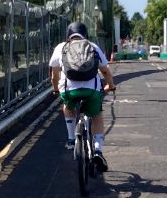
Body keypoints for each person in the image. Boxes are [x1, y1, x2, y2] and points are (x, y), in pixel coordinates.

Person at [49, 21, 116, 170]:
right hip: (91, 91)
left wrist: (55, 89)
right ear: (85, 34)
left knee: (68, 107)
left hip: (69, 91)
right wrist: (110, 86)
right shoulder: (93, 46)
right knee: (96, 115)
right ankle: (98, 151)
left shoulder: (60, 47)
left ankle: (71, 139)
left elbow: (54, 75)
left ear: (68, 35)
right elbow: (105, 71)